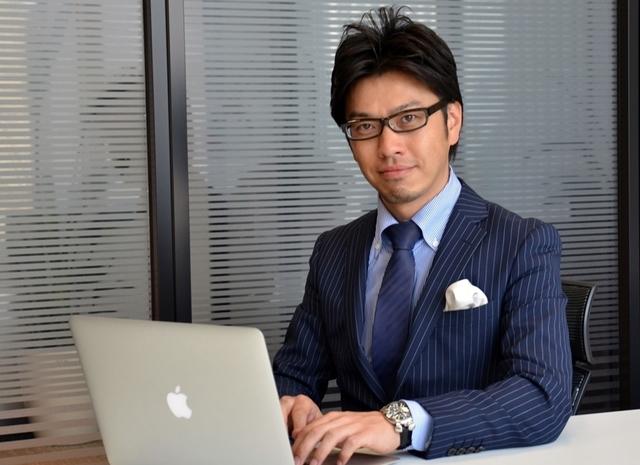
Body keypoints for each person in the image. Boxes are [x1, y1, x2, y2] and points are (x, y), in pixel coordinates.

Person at [272, 6, 572, 465]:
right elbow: (294, 375)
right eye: (365, 126)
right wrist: (292, 404)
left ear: (452, 121)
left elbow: (541, 395)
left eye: (409, 118)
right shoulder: (334, 251)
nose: (388, 145)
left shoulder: (521, 244)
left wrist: (401, 422)